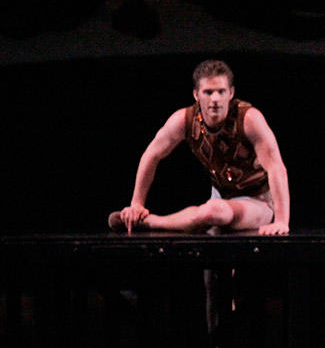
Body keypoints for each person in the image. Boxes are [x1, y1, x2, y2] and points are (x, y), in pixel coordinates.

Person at [108, 59, 290, 236]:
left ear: (231, 93)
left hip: (258, 201)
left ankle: (151, 222)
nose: (215, 99)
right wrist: (137, 204)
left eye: (221, 91)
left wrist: (281, 221)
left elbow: (276, 168)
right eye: (208, 92)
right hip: (221, 197)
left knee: (211, 212)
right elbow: (151, 155)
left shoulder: (249, 119)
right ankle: (162, 220)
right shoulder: (184, 119)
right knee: (211, 211)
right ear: (196, 94)